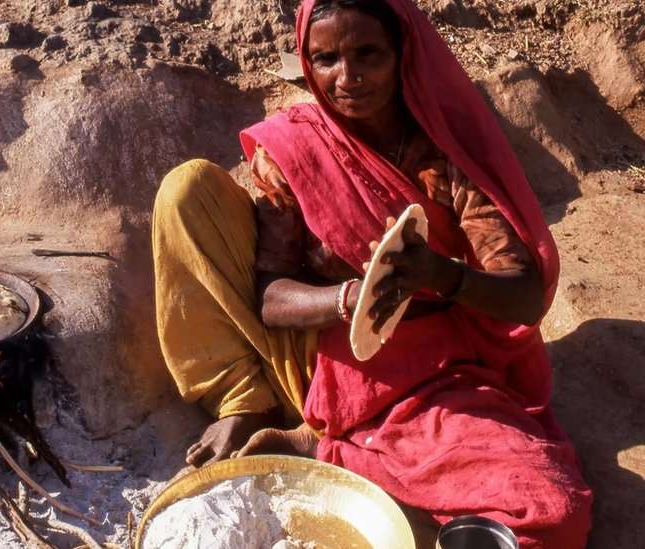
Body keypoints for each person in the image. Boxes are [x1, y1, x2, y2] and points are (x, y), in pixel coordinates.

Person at [151, 0, 593, 547]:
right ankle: (248, 403)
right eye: (326, 58)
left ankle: (318, 447)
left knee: (553, 514)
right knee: (187, 189)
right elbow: (270, 295)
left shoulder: (445, 152)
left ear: (402, 54)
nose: (347, 77)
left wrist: (442, 275)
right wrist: (352, 298)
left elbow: (523, 296)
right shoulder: (295, 145)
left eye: (367, 54)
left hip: (431, 371)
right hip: (317, 358)